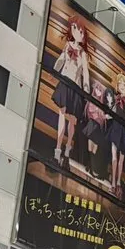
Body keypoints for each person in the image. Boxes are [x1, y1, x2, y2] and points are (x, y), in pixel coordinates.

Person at [49, 13, 90, 168]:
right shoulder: (67, 46)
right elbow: (61, 60)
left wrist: (86, 90)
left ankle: (66, 153)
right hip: (65, 83)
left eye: (79, 30)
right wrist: (54, 71)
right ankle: (57, 152)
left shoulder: (83, 54)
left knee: (72, 121)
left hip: (76, 88)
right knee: (61, 116)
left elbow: (86, 73)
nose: (77, 32)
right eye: (74, 28)